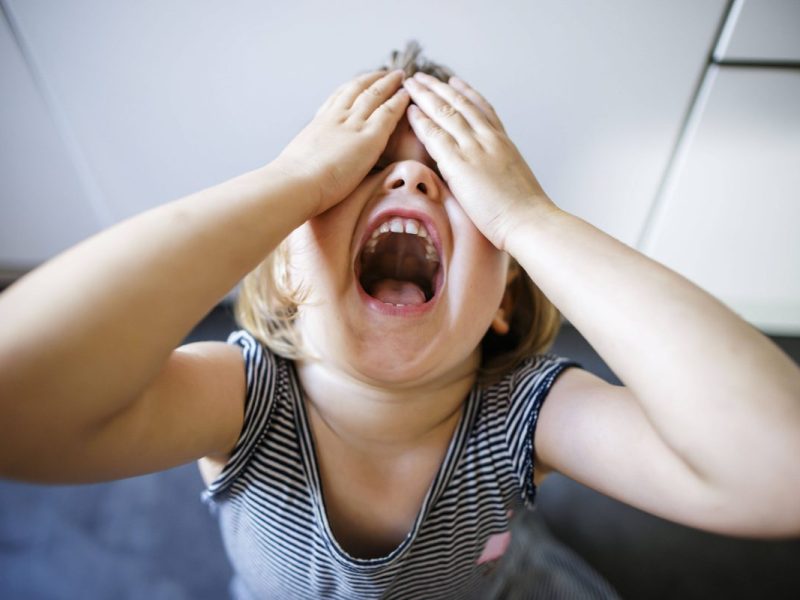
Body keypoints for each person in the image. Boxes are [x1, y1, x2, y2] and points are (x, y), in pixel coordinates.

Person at [0, 43, 798, 599]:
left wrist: (529, 218)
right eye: (365, 170)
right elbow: (18, 397)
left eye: (456, 178)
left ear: (505, 303)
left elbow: (780, 470)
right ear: (287, 275)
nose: (414, 177)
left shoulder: (523, 416)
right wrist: (293, 181)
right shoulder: (243, 399)